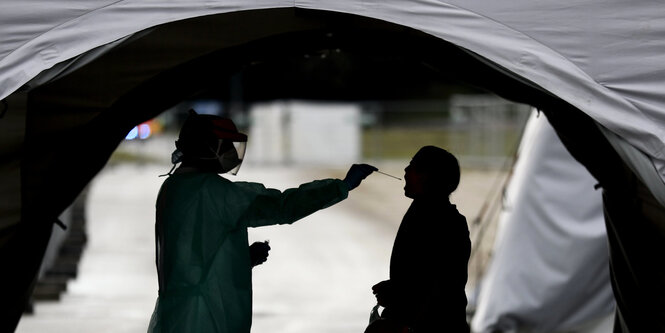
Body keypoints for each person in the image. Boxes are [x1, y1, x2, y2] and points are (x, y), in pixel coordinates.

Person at [148, 109, 376, 333]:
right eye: (225, 145)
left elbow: (192, 255)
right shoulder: (214, 192)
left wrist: (240, 260)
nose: (231, 153)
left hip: (176, 314)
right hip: (205, 316)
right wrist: (340, 186)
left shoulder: (173, 186)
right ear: (207, 146)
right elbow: (281, 206)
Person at [368, 146, 471, 333]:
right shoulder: (422, 212)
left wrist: (397, 295)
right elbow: (421, 275)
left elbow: (441, 288)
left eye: (413, 167)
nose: (406, 171)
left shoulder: (446, 224)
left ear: (429, 177)